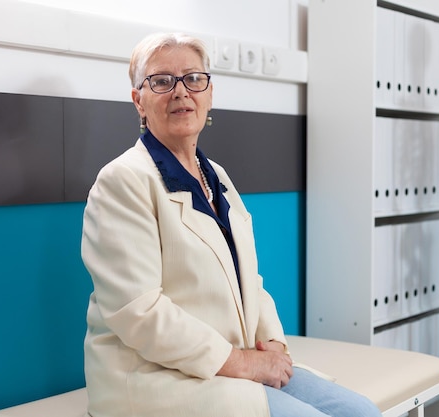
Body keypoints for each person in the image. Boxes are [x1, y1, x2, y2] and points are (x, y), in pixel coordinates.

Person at [81, 32, 381, 417]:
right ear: (139, 101)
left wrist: (272, 343)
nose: (181, 91)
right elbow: (139, 312)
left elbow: (248, 280)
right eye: (161, 81)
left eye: (193, 78)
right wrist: (243, 363)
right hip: (157, 379)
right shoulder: (122, 181)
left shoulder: (216, 176)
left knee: (363, 412)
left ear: (209, 93)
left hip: (226, 367)